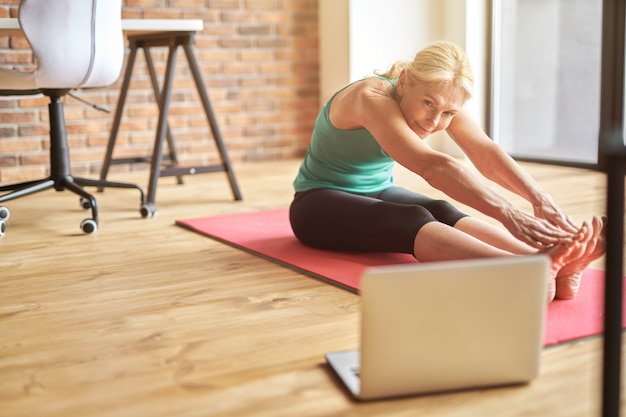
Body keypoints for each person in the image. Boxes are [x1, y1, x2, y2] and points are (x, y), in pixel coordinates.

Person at [289, 40, 605, 302]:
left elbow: (485, 151)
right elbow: (431, 165)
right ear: (403, 82)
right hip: (316, 204)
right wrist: (508, 213)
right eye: (428, 103)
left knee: (440, 209)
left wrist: (539, 200)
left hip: (377, 192)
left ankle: (550, 261)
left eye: (448, 112)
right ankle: (525, 270)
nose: (435, 120)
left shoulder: (443, 101)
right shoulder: (369, 97)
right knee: (412, 218)